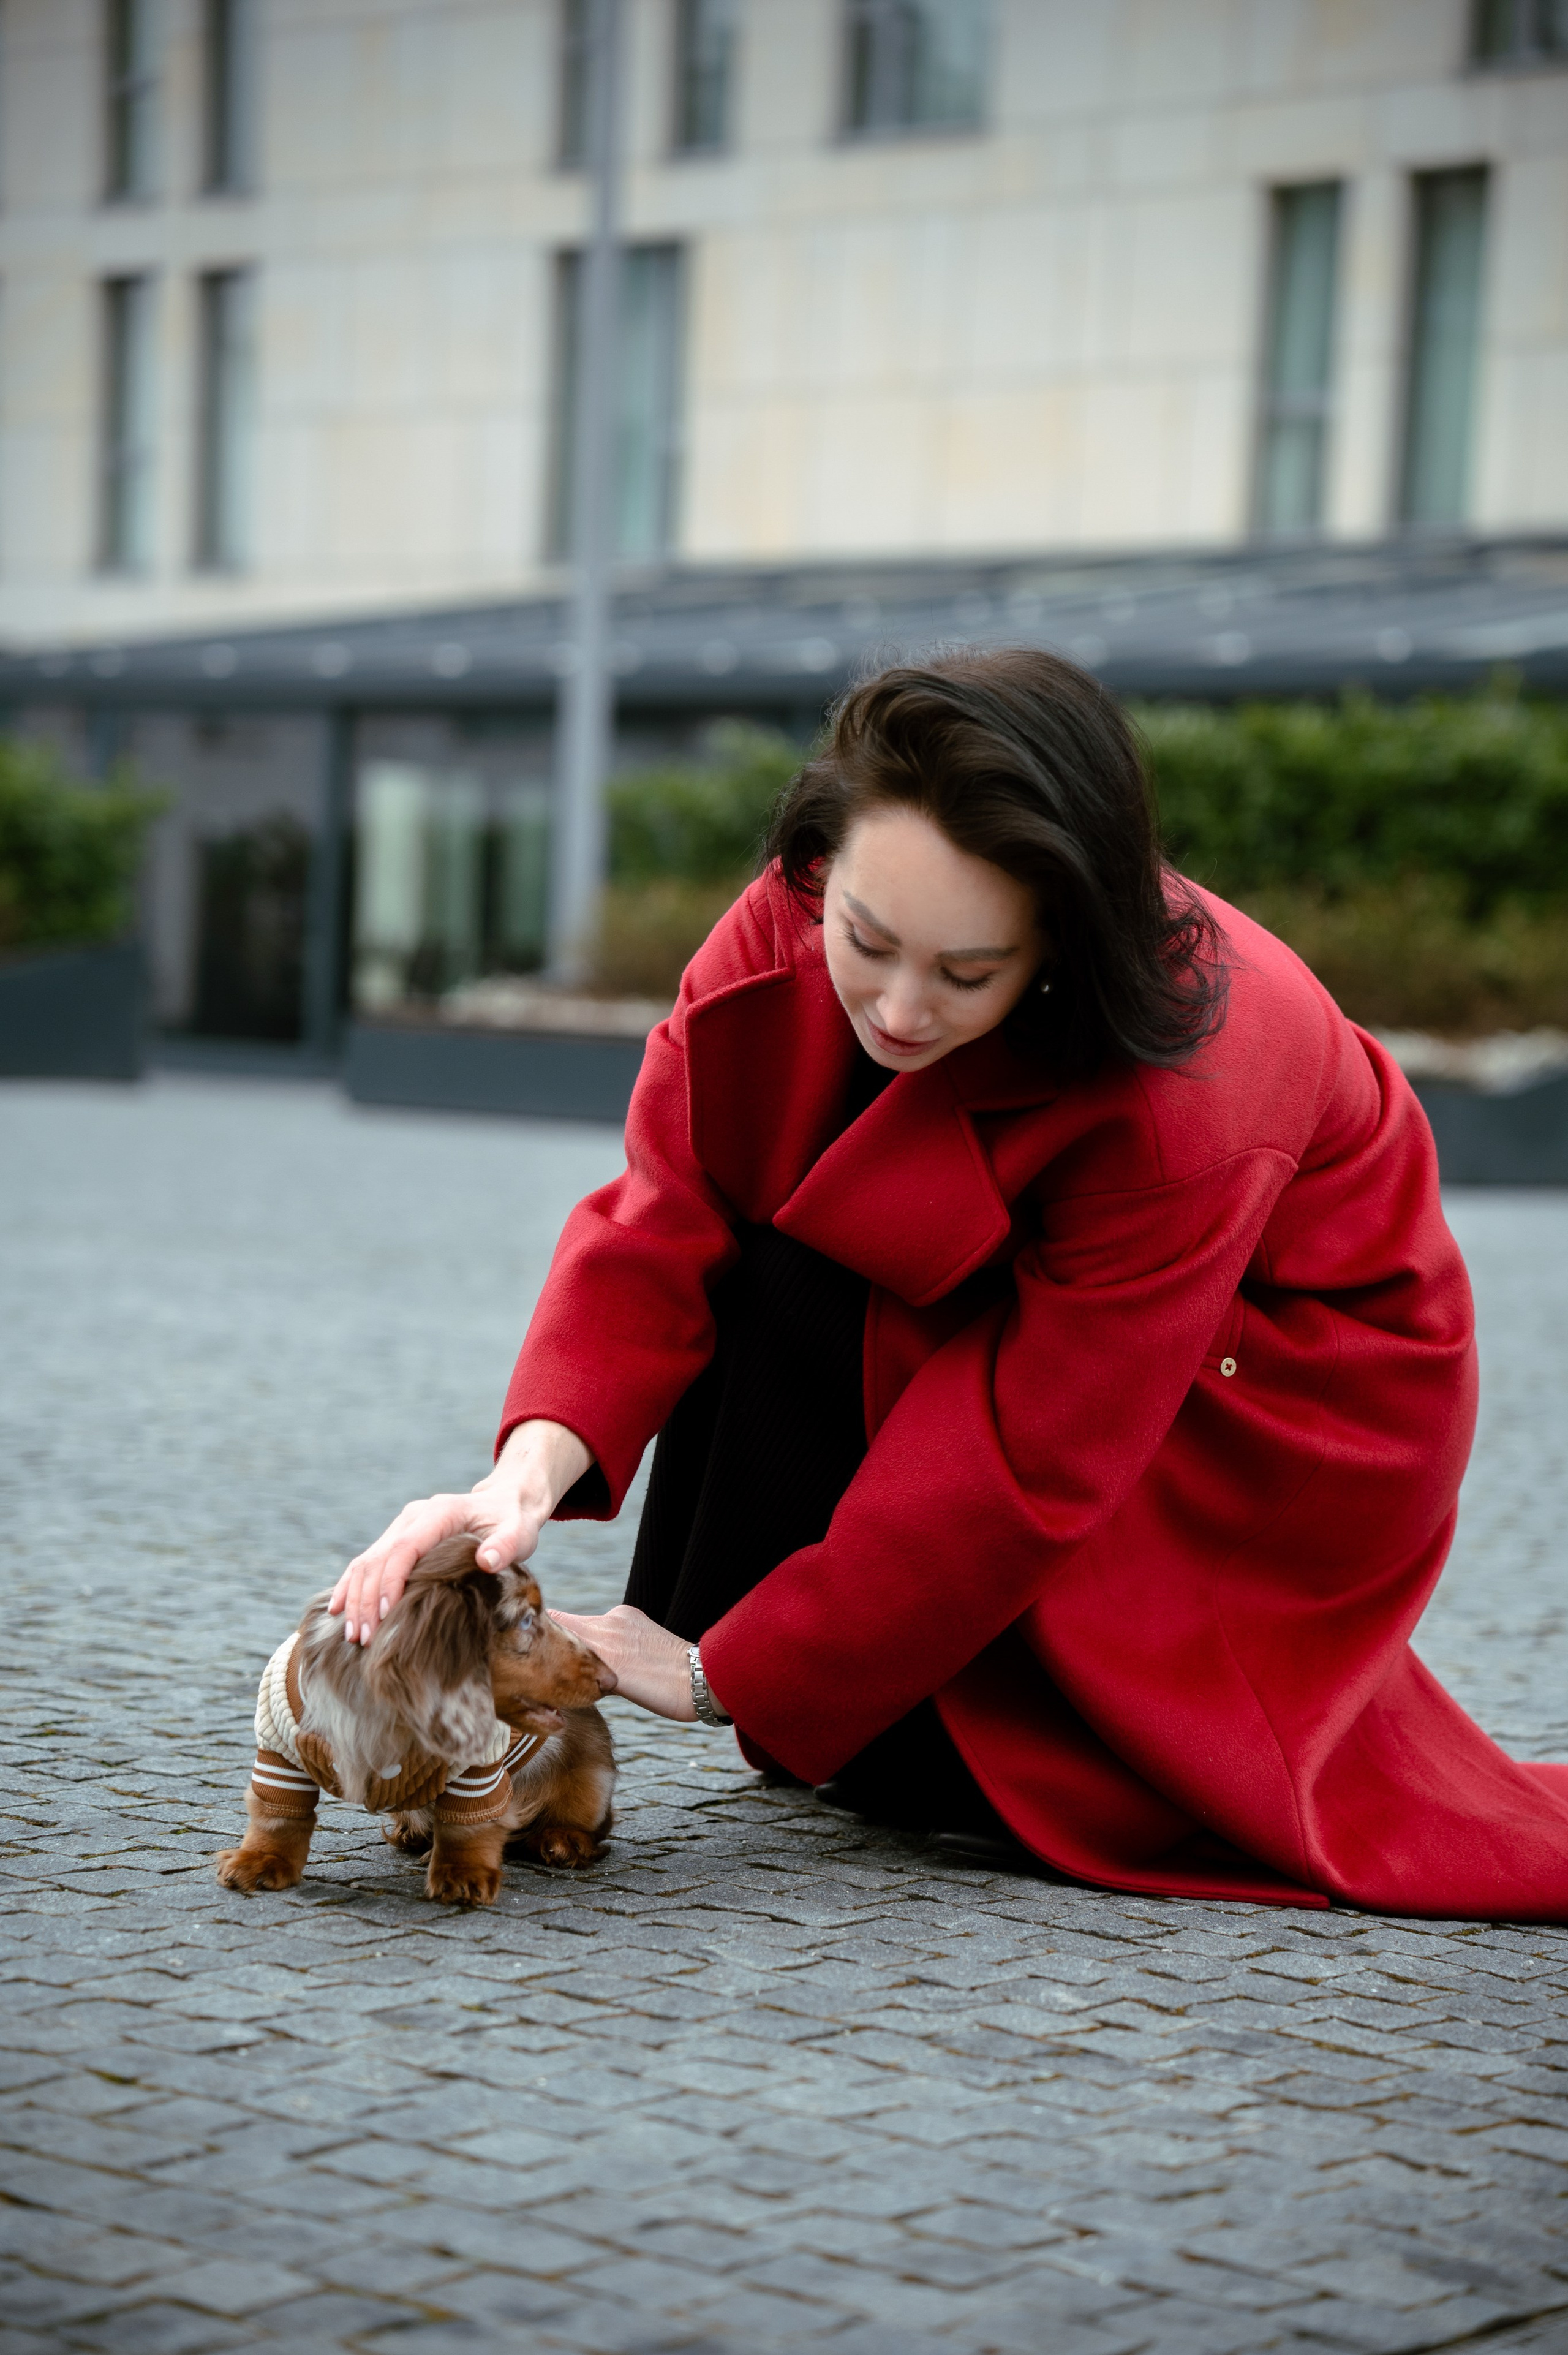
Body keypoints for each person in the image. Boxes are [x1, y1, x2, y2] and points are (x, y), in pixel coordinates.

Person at [333, 649, 1568, 1919]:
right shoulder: (787, 917)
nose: (899, 1008)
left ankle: (908, 1708)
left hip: (1282, 1391)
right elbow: (665, 1214)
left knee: (1025, 1710)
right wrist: (519, 1476)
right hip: (1064, 1323)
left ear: (1059, 943)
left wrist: (725, 1673)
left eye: (965, 973)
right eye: (865, 940)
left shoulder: (1190, 1084)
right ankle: (874, 1700)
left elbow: (1031, 1451)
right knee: (791, 1225)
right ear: (818, 863)